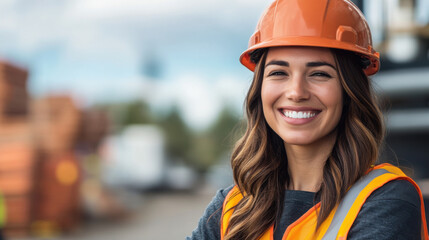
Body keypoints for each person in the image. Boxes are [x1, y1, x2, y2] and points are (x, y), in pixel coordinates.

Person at [187, 0, 429, 239]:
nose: (296, 92)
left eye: (319, 74)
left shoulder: (385, 200)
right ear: (259, 90)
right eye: (279, 73)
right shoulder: (230, 208)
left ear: (349, 92)